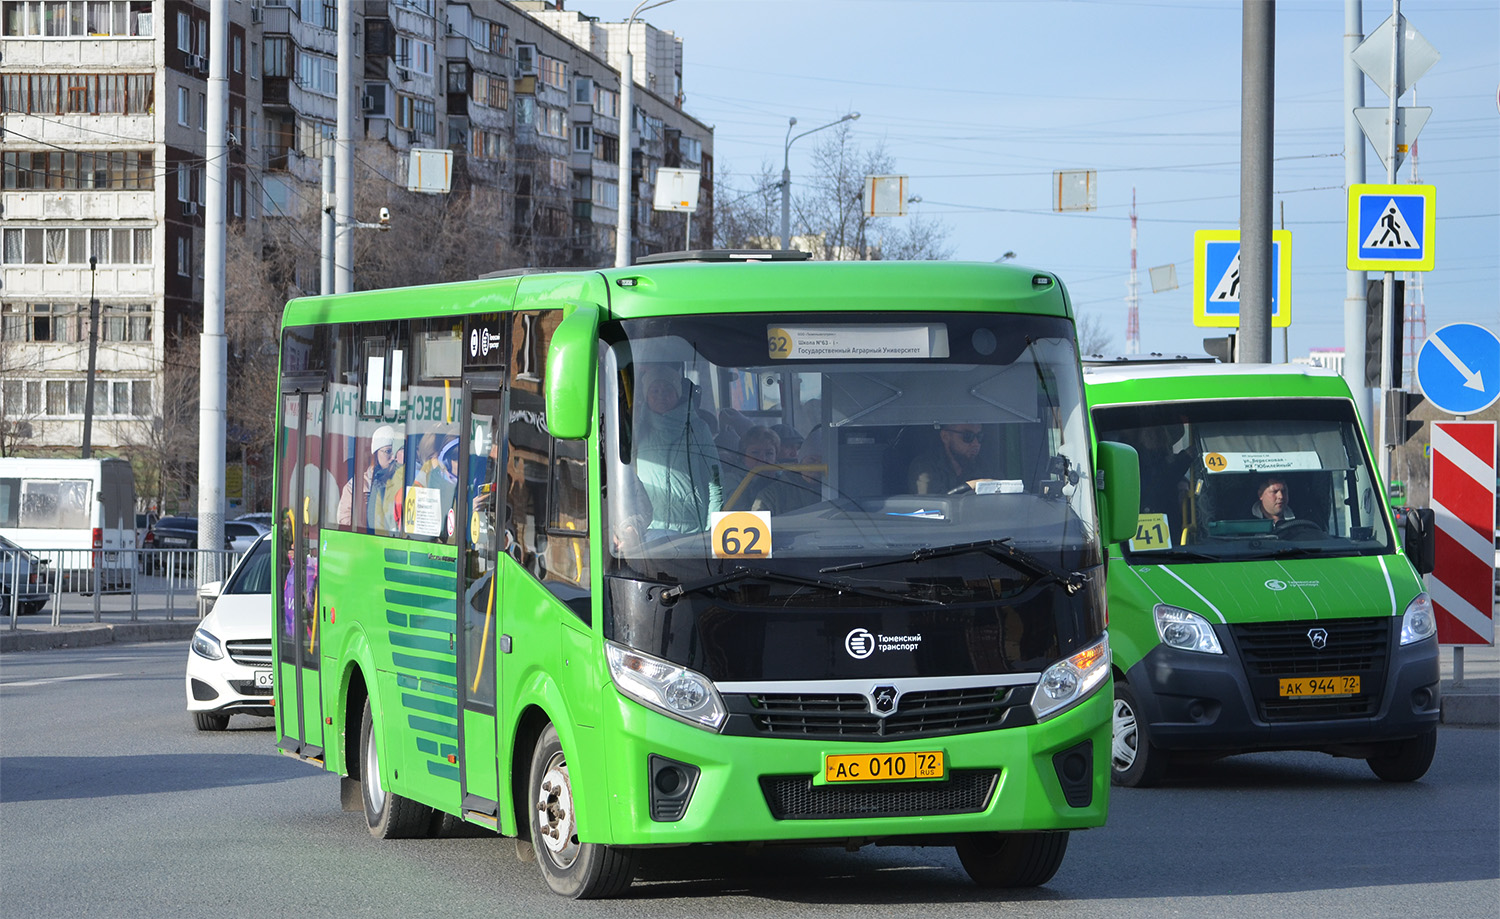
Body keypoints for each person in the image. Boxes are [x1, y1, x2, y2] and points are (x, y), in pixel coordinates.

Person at [632, 363, 723, 533]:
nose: (661, 396)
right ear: (646, 396)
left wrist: (714, 527)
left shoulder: (698, 428)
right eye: (655, 391)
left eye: (667, 390)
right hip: (651, 532)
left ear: (677, 393)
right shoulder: (637, 430)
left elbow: (715, 480)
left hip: (693, 532)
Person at [751, 427, 825, 515]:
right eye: (811, 460)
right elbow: (760, 526)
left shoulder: (836, 491)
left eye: (823, 462)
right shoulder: (772, 495)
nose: (816, 467)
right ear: (799, 462)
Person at [907, 423, 985, 495]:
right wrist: (972, 485)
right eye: (968, 436)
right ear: (945, 437)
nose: (976, 443)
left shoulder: (983, 466)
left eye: (979, 436)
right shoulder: (924, 467)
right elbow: (931, 505)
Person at [722, 425, 781, 509]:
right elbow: (741, 515)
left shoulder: (784, 478)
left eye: (769, 453)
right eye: (755, 452)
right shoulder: (731, 481)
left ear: (776, 456)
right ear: (743, 456)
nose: (762, 459)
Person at [365, 425, 405, 535]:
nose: (392, 457)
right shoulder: (379, 483)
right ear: (376, 453)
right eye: (387, 451)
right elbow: (374, 524)